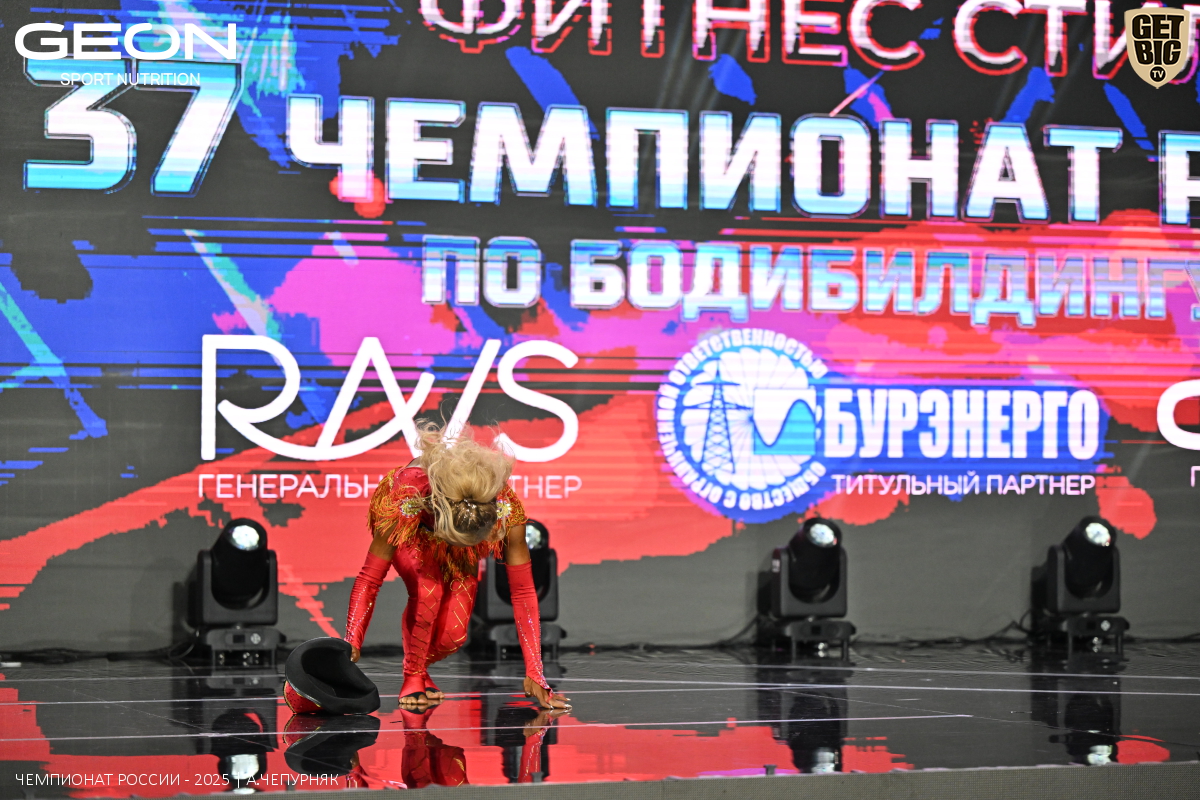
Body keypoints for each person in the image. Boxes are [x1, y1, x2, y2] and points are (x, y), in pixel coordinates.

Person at [342, 422, 570, 710]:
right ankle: (413, 674)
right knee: (429, 592)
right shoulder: (409, 494)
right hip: (416, 530)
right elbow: (370, 577)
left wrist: (535, 672)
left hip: (457, 528)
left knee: (453, 636)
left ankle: (419, 666)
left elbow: (523, 592)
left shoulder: (506, 509)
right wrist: (352, 641)